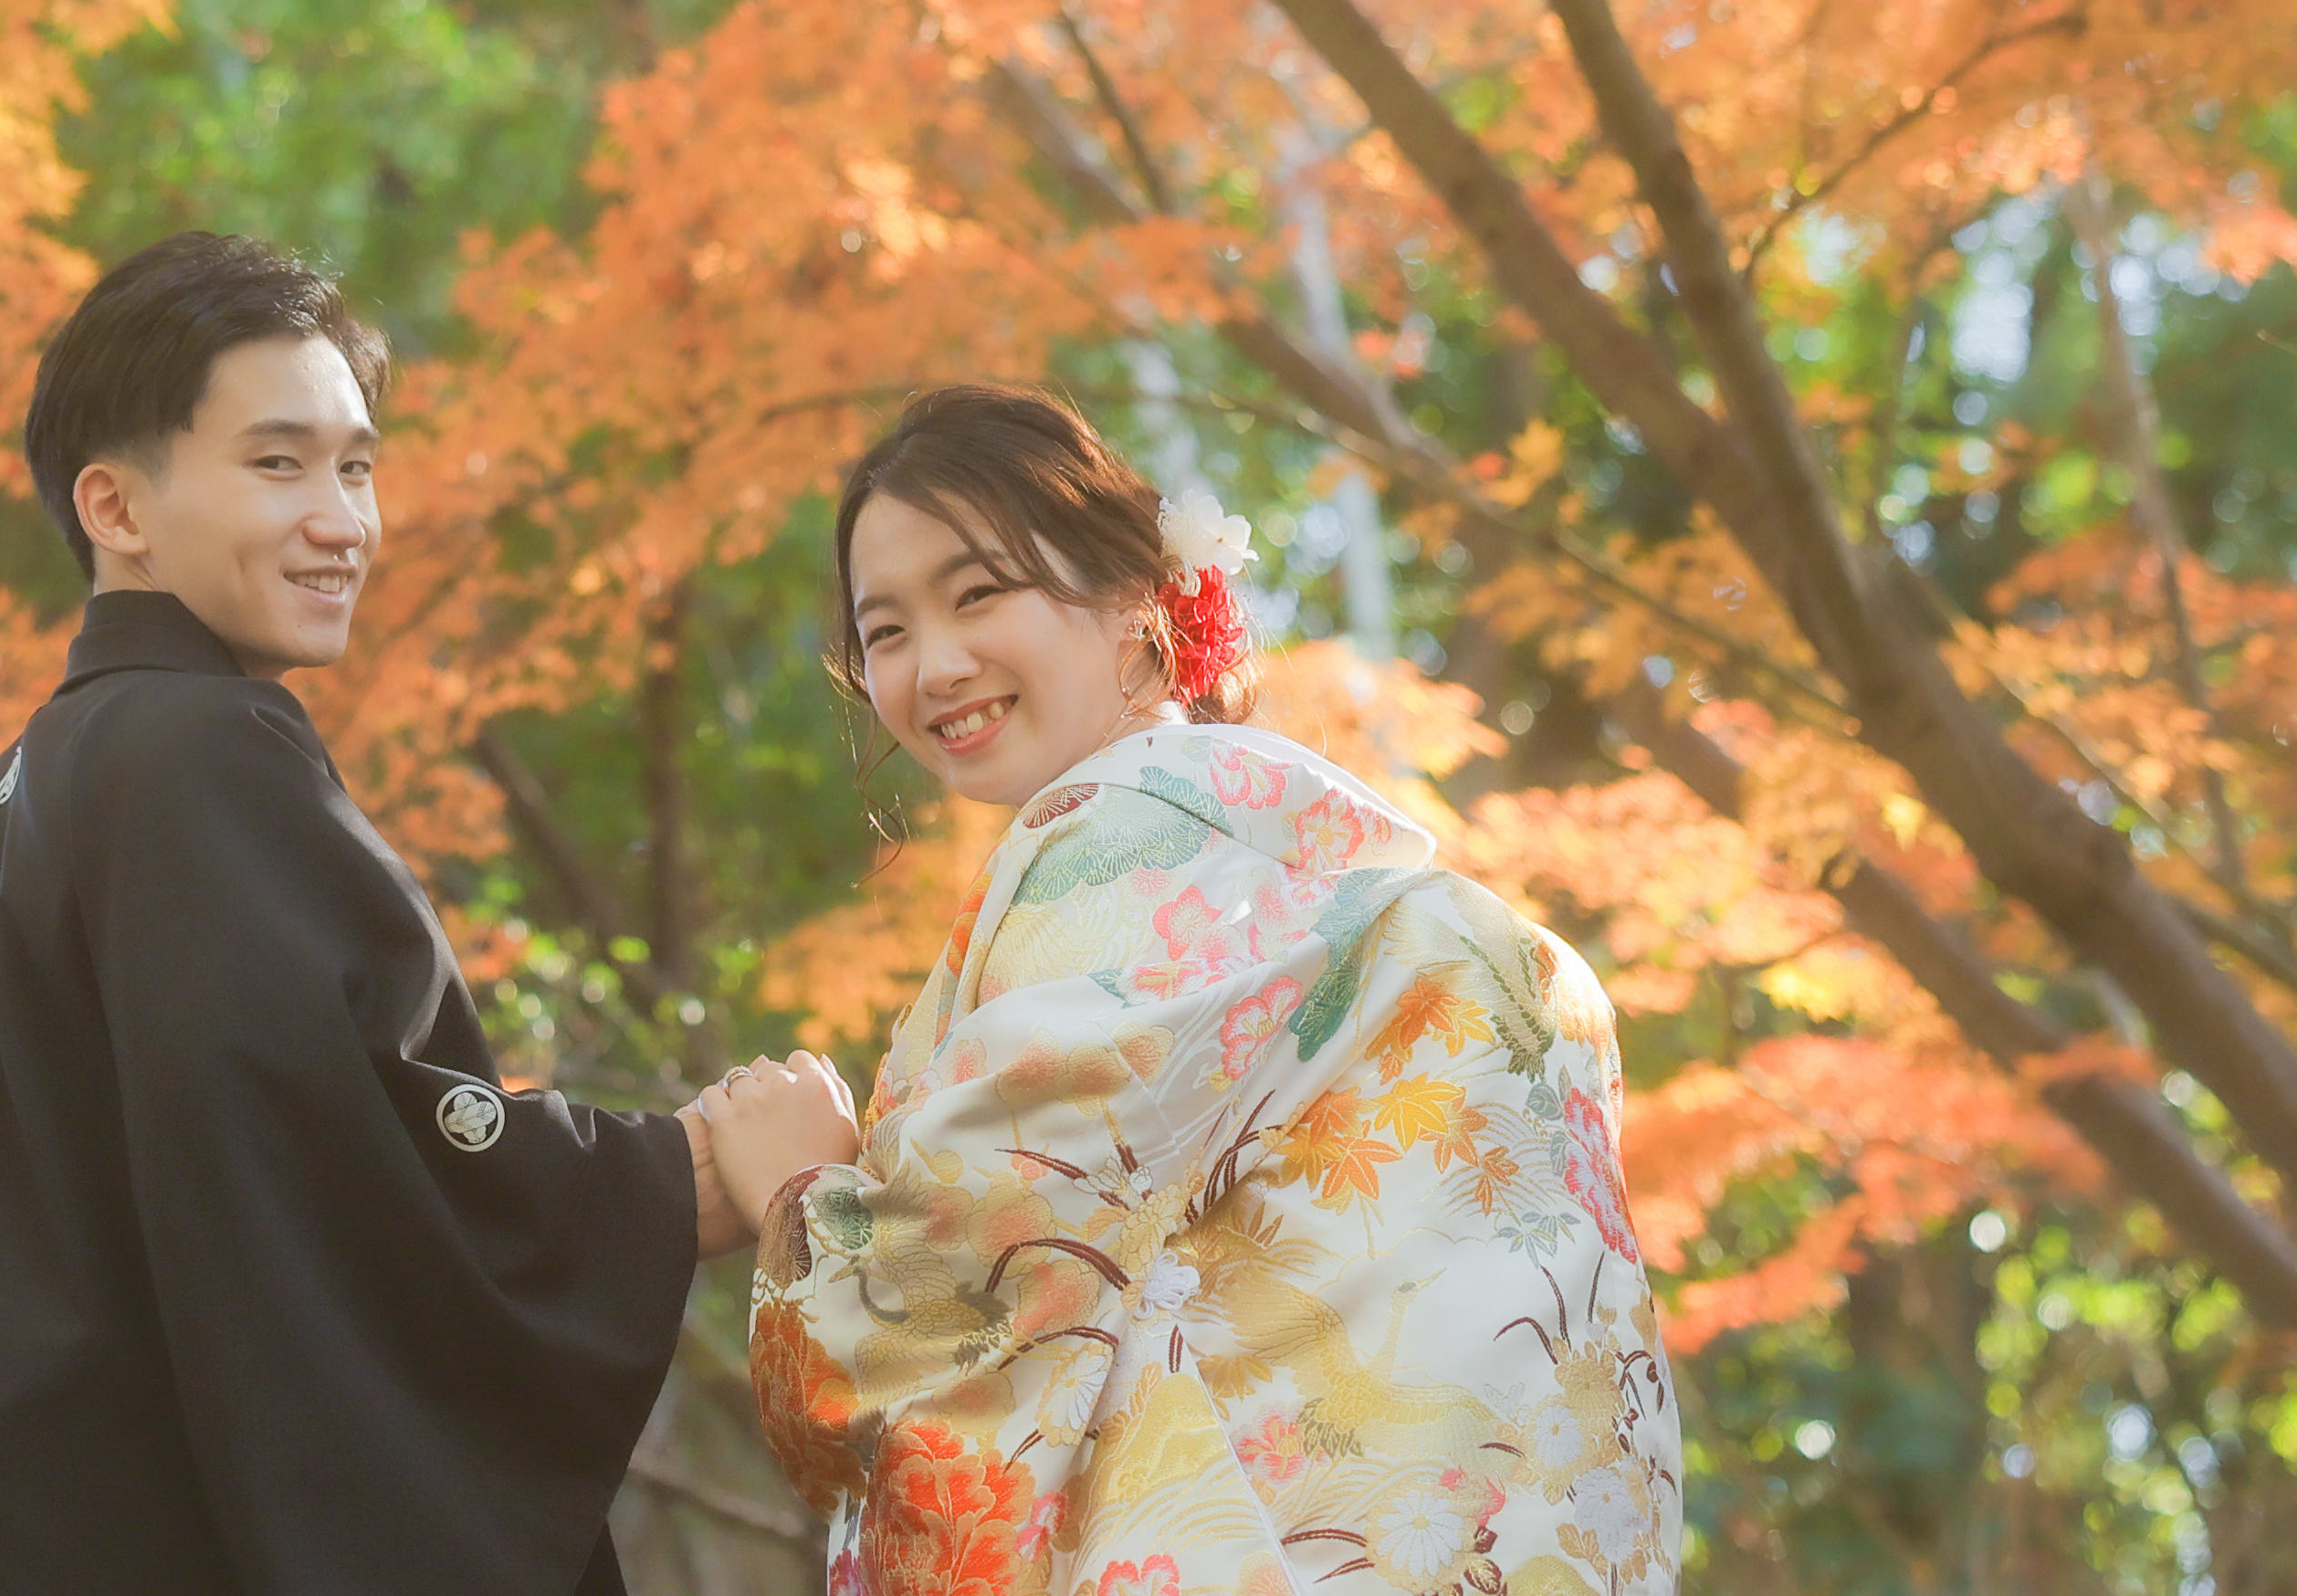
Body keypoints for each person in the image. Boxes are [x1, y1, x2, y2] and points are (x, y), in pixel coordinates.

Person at [0, 230, 751, 1596]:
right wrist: (680, 1177)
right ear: (116, 509)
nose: (344, 521)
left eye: (356, 467)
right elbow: (332, 1153)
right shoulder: (200, 748)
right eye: (278, 464)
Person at [692, 385, 1683, 1596]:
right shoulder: (1320, 866)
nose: (935, 665)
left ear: (1136, 605)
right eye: (885, 630)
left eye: (979, 592)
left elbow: (953, 1305)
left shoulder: (1123, 839)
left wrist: (799, 1189)